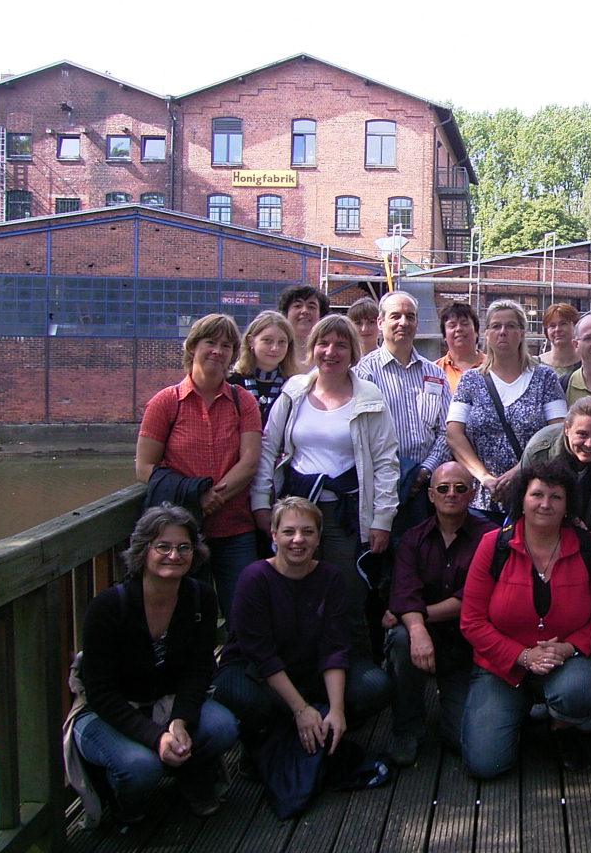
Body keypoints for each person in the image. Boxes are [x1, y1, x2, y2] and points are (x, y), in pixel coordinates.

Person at [69, 504, 239, 824]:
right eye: (162, 546)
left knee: (223, 727)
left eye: (183, 547)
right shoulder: (108, 607)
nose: (173, 556)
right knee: (140, 766)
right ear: (142, 551)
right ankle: (120, 797)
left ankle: (190, 776)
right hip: (107, 710)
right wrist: (155, 737)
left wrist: (179, 723)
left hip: (167, 701)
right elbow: (101, 693)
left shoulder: (201, 597)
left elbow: (199, 670)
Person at [251, 314, 400, 655]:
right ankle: (298, 675)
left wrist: (382, 519)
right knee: (293, 594)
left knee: (347, 596)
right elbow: (268, 448)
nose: (331, 351)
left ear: (352, 352)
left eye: (341, 345)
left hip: (343, 516)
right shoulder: (294, 392)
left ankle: (358, 678)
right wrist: (260, 500)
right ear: (312, 347)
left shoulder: (369, 397)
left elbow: (386, 463)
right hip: (296, 512)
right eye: (323, 343)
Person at [459, 460, 591, 778]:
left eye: (556, 497)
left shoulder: (589, 547)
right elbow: (471, 621)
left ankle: (563, 723)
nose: (545, 504)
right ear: (521, 500)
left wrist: (568, 649)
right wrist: (522, 655)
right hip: (501, 665)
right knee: (487, 765)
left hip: (565, 662)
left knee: (579, 692)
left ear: (568, 505)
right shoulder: (492, 545)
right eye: (537, 494)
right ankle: (518, 712)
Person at [215, 497, 390, 766]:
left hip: (309, 666)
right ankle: (269, 735)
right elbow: (262, 655)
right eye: (289, 532)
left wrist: (337, 708)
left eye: (308, 532)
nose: (298, 540)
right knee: (245, 699)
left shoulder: (330, 577)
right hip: (257, 671)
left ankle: (326, 721)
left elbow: (334, 647)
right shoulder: (255, 577)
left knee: (374, 687)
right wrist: (300, 709)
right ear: (274, 536)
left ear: (319, 538)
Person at [136, 313, 262, 625]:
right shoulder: (166, 402)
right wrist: (195, 497)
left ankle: (238, 673)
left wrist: (212, 497)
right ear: (193, 347)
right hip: (182, 534)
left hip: (235, 529)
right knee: (190, 616)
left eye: (226, 345)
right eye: (210, 343)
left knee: (243, 614)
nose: (218, 351)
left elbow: (249, 461)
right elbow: (144, 467)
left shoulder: (242, 402)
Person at [384, 462, 496, 766]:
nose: (451, 494)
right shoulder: (412, 538)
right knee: (400, 638)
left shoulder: (490, 537)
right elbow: (403, 592)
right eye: (443, 488)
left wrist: (416, 616)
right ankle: (407, 728)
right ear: (431, 495)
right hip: (425, 638)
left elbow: (474, 598)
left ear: (472, 494)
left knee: (463, 740)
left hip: (467, 643)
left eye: (460, 488)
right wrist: (417, 629)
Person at [447, 299, 567, 524]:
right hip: (482, 501)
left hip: (533, 497)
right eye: (496, 326)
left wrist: (519, 471)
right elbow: (454, 435)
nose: (503, 332)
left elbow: (558, 434)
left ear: (522, 333)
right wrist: (484, 477)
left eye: (511, 326)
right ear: (487, 334)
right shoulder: (470, 381)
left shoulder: (545, 378)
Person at [356, 290, 453, 535]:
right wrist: (397, 475)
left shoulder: (435, 374)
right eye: (395, 316)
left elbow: (446, 431)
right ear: (381, 323)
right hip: (379, 490)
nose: (403, 323)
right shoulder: (363, 373)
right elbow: (360, 434)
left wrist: (425, 470)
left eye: (410, 317)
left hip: (425, 490)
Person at [521, 396, 591, 557]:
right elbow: (524, 503)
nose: (589, 444)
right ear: (567, 429)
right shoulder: (540, 451)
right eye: (582, 434)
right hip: (548, 534)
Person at [229, 311, 301, 428]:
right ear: (251, 340)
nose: (275, 348)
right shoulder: (232, 383)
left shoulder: (294, 386)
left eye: (282, 342)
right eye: (267, 340)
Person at [435, 301, 485, 392]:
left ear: (476, 332)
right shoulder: (433, 371)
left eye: (465, 324)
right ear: (444, 336)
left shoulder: (493, 367)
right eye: (452, 325)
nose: (459, 329)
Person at [278, 284, 329, 371]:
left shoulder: (329, 354)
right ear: (286, 314)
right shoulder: (273, 351)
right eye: (298, 306)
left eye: (311, 307)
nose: (305, 311)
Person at [538, 302, 581, 374]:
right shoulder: (535, 364)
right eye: (552, 325)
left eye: (563, 324)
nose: (557, 329)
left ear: (575, 326)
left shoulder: (587, 362)